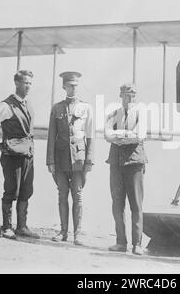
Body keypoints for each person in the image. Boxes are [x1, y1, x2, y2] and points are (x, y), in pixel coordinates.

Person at [0, 70, 39, 239]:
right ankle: (6, 227)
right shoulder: (6, 105)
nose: (28, 86)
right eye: (25, 83)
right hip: (11, 156)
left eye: (30, 83)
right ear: (17, 83)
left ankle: (22, 227)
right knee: (11, 190)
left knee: (26, 190)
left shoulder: (28, 103)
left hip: (28, 154)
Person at [46, 71, 94, 246]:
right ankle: (63, 231)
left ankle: (77, 234)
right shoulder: (56, 108)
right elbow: (51, 136)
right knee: (62, 194)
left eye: (75, 85)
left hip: (79, 160)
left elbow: (90, 137)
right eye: (69, 85)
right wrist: (50, 161)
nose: (72, 88)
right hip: (60, 159)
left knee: (78, 195)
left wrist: (89, 160)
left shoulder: (86, 108)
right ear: (63, 86)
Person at [104, 83, 147, 255]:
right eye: (127, 95)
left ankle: (137, 244)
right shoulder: (114, 114)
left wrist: (118, 135)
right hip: (116, 163)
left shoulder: (141, 114)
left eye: (133, 95)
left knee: (136, 204)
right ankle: (121, 242)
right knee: (117, 204)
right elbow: (107, 135)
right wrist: (126, 135)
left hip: (135, 163)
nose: (130, 99)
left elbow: (139, 135)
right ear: (120, 95)